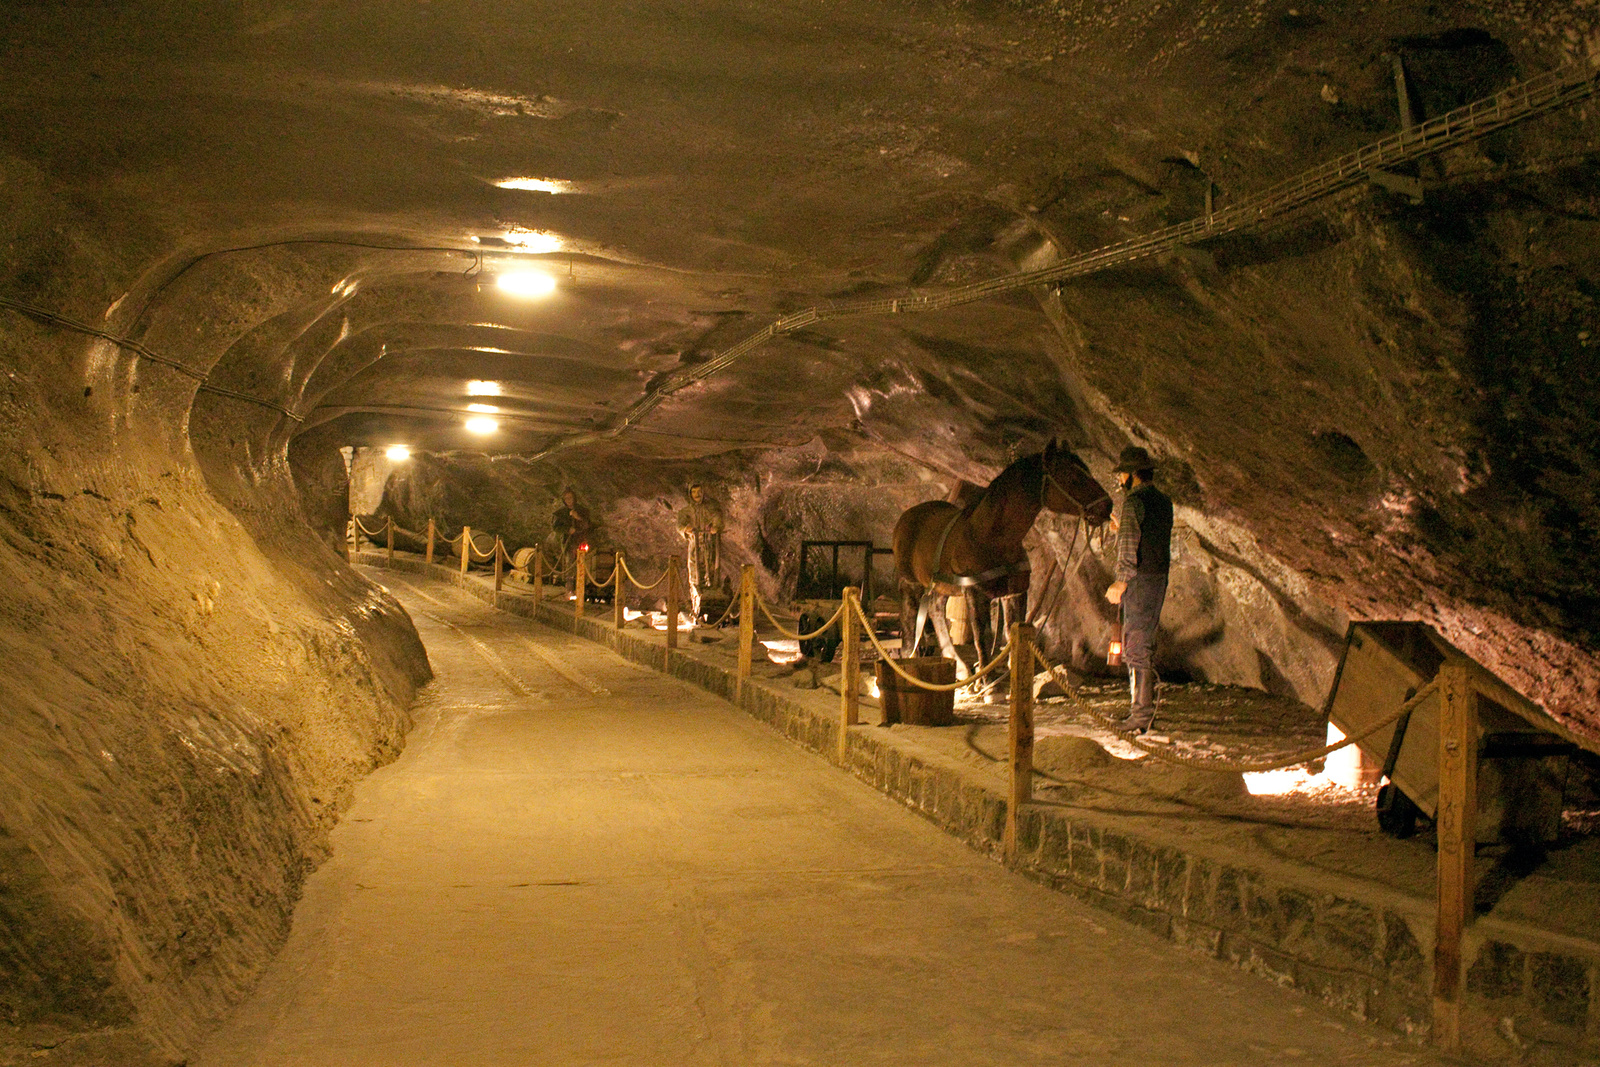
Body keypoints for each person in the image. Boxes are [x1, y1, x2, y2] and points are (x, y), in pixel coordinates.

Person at [1103, 445, 1173, 734]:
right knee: (1142, 643)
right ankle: (1141, 712)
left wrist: (1120, 581)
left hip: (1139, 581)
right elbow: (1151, 536)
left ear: (1132, 475)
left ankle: (1140, 717)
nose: (1119, 480)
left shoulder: (1133, 502)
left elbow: (1130, 548)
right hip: (1157, 579)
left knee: (1135, 648)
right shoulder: (1164, 501)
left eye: (1121, 474)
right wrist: (1123, 529)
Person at [675, 483, 723, 617]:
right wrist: (686, 528)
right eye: (694, 492)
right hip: (695, 545)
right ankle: (696, 606)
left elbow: (717, 518)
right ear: (690, 494)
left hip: (709, 545)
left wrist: (714, 527)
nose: (697, 495)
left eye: (699, 491)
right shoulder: (686, 511)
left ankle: (713, 605)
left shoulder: (709, 509)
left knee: (712, 570)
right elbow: (680, 525)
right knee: (695, 574)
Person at [550, 488, 591, 582]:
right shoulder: (560, 513)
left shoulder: (582, 510)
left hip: (581, 540)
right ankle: (570, 588)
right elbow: (556, 527)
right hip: (568, 541)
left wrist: (578, 517)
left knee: (584, 564)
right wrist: (568, 530)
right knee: (570, 564)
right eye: (566, 498)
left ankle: (582, 587)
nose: (569, 500)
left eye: (570, 498)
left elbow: (587, 524)